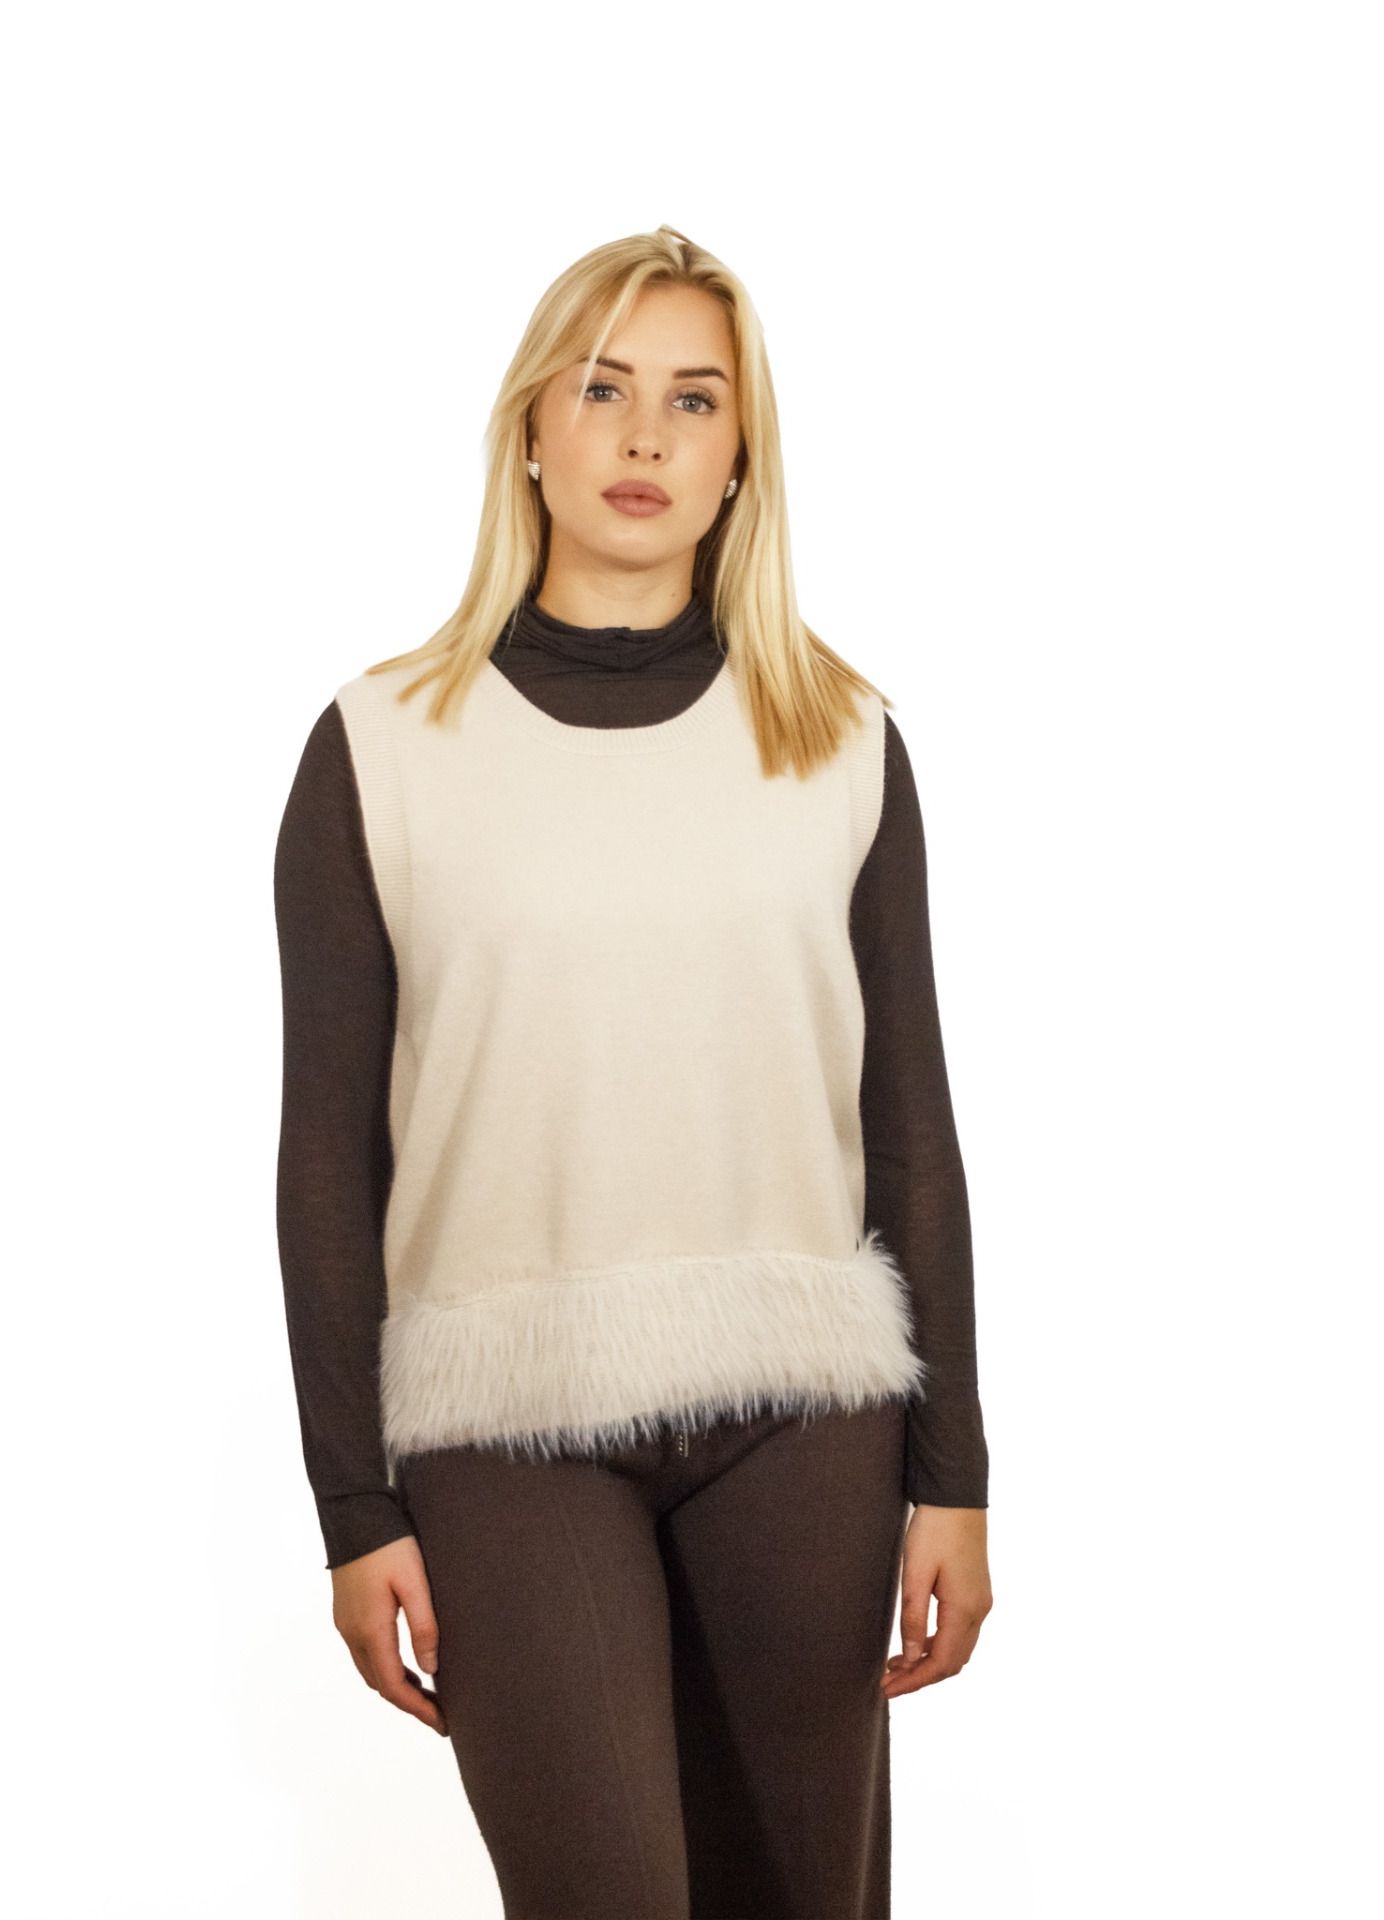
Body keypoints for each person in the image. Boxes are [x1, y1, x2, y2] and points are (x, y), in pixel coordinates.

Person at [274, 224, 992, 1919]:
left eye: (694, 398)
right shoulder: (382, 746)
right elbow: (326, 1161)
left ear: (743, 455)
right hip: (503, 1425)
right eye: (601, 389)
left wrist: (953, 1474)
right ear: (531, 428)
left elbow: (909, 1126)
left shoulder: (840, 738)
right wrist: (354, 1505)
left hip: (808, 1420)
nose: (646, 435)